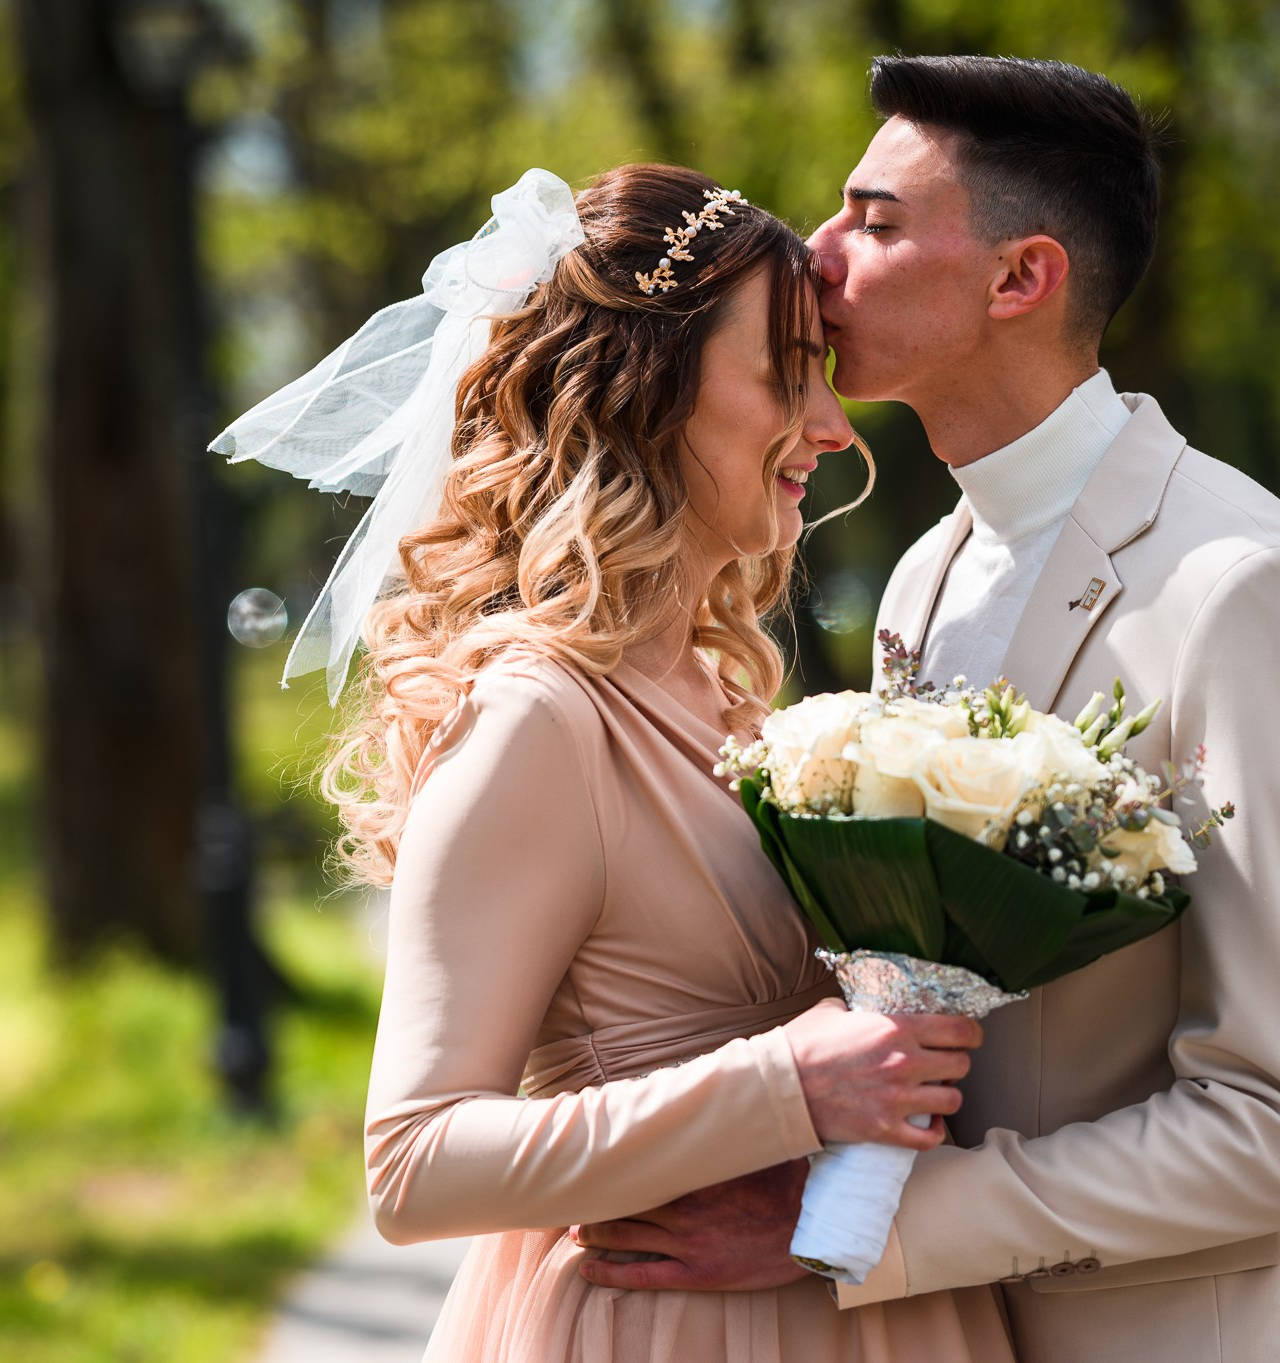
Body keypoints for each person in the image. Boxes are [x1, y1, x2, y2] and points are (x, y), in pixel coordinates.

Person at [573, 55, 1280, 1363]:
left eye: (877, 220)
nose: (818, 252)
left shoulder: (1242, 589)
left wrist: (850, 1223)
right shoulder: (925, 569)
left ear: (1022, 278)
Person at [223, 163, 1016, 1360]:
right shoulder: (538, 719)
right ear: (641, 395)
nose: (829, 428)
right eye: (783, 376)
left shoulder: (725, 688)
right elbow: (413, 1162)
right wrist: (788, 1086)